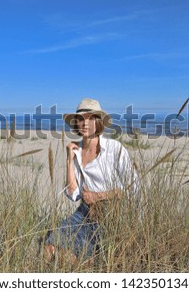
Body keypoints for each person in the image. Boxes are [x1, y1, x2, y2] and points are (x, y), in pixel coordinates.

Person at [44, 98, 138, 264]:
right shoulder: (77, 152)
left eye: (90, 118)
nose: (85, 123)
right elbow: (73, 195)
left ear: (98, 122)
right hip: (83, 213)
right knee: (49, 249)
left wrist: (98, 196)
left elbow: (133, 187)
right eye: (80, 119)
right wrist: (69, 160)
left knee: (68, 258)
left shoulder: (115, 149)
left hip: (109, 218)